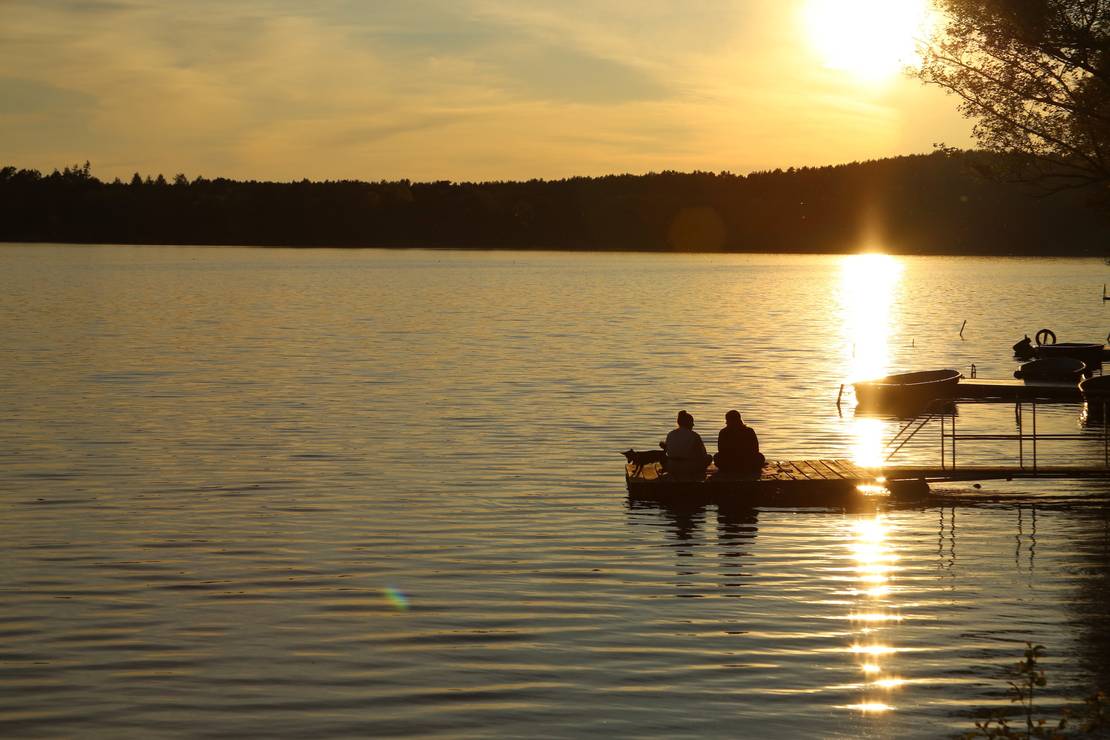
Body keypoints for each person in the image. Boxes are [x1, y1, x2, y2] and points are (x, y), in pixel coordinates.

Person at [662, 410, 711, 480]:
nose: (693, 425)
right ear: (688, 423)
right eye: (692, 422)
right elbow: (702, 454)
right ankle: (698, 475)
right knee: (709, 457)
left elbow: (668, 450)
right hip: (688, 468)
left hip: (671, 467)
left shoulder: (670, 434)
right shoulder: (694, 436)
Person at [714, 409, 765, 475]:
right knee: (760, 457)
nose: (726, 422)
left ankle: (730, 468)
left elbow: (721, 450)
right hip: (747, 463)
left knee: (716, 456)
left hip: (729, 464)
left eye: (727, 420)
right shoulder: (749, 431)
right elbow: (756, 449)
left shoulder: (723, 432)